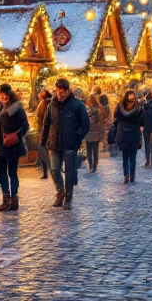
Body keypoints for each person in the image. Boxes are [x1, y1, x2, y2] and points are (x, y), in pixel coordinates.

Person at [40, 78, 89, 210]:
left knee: (69, 171)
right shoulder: (52, 105)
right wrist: (43, 140)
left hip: (69, 143)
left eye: (62, 92)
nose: (60, 95)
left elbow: (85, 125)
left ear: (68, 91)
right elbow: (46, 124)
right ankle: (60, 191)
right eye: (57, 91)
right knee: (54, 169)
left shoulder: (77, 105)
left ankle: (68, 197)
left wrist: (76, 137)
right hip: (54, 142)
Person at [0, 83, 30, 212]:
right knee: (2, 174)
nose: (3, 97)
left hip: (12, 146)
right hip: (0, 145)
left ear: (10, 95)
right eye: (0, 95)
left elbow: (25, 126)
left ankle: (13, 200)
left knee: (12, 173)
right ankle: (5, 200)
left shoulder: (17, 109)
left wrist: (16, 134)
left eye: (5, 95)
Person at [113, 90, 146, 183]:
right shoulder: (138, 107)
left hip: (123, 133)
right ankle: (132, 176)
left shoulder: (120, 106)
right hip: (134, 133)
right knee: (132, 157)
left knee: (125, 157)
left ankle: (126, 175)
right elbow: (143, 120)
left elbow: (116, 116)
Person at [83, 93, 103, 172]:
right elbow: (98, 120)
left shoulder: (86, 109)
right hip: (95, 132)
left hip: (88, 131)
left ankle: (90, 164)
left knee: (89, 149)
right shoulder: (97, 109)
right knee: (95, 150)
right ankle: (95, 165)